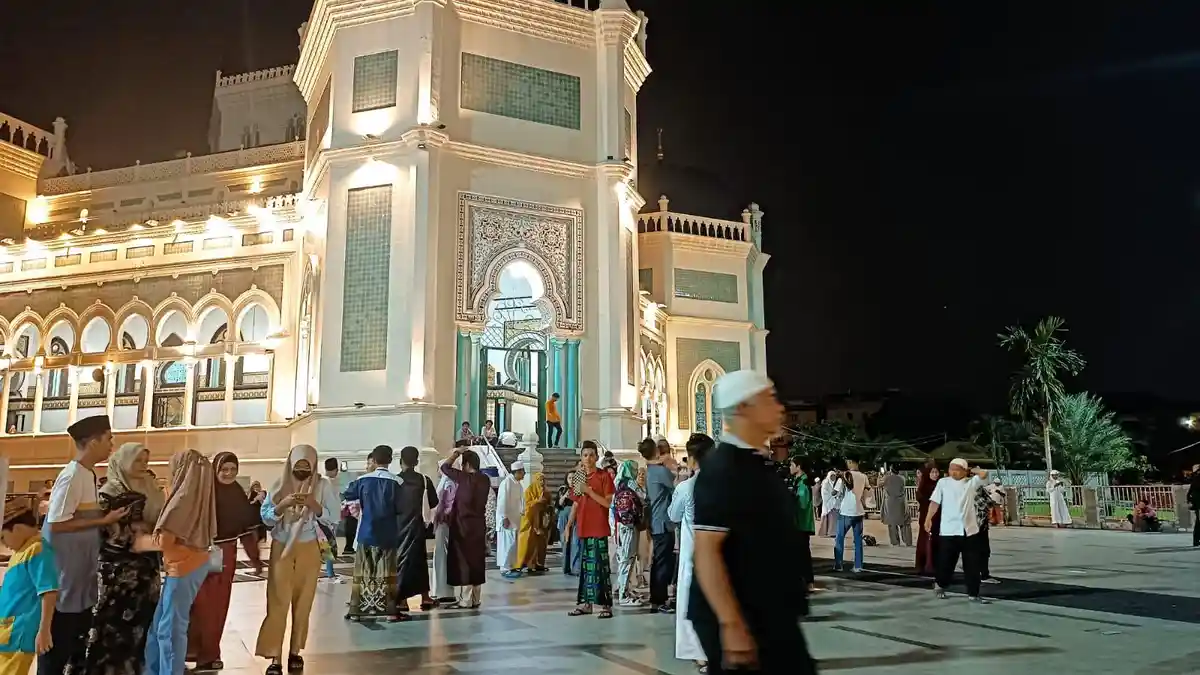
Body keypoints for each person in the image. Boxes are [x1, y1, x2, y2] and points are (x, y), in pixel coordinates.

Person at [690, 370, 813, 674]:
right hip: (742, 618)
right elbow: (706, 553)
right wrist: (731, 624)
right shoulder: (722, 470)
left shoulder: (756, 465)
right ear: (743, 407)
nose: (779, 408)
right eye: (769, 399)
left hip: (769, 612)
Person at [41, 414, 124, 675]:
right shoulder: (72, 475)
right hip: (65, 578)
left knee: (74, 646)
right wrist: (104, 521)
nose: (112, 445)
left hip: (79, 574)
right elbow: (56, 524)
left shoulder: (88, 474)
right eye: (108, 439)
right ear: (92, 442)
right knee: (57, 649)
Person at [79, 442, 166, 674]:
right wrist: (140, 535)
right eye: (138, 460)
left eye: (146, 460)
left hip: (147, 568)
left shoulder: (150, 487)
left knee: (143, 625)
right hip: (119, 572)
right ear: (124, 461)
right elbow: (105, 532)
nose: (143, 465)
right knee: (115, 628)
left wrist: (150, 534)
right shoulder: (110, 491)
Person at [255, 445, 342, 675]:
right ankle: (275, 656)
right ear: (291, 464)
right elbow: (266, 518)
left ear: (313, 465)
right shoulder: (280, 484)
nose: (302, 469)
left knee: (303, 602)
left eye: (307, 465)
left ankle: (295, 651)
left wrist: (314, 505)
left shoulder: (322, 485)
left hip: (309, 547)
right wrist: (282, 505)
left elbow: (334, 516)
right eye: (298, 465)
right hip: (281, 547)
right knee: (277, 601)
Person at [141, 449, 218, 675]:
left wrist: (135, 542)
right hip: (193, 563)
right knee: (160, 626)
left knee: (171, 630)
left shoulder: (181, 500)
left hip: (183, 566)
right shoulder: (199, 494)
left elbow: (165, 541)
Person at [189, 451, 264, 672]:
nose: (229, 473)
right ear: (215, 470)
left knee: (218, 607)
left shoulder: (237, 493)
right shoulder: (203, 493)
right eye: (224, 469)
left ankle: (209, 654)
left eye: (233, 469)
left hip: (225, 558)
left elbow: (246, 530)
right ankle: (192, 650)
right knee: (197, 605)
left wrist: (255, 559)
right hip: (199, 554)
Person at [344, 445, 405, 622]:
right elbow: (401, 508)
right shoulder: (397, 482)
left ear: (374, 460)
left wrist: (359, 509)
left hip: (366, 531)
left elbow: (347, 495)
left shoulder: (362, 480)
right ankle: (390, 611)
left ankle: (357, 611)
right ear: (390, 460)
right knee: (387, 573)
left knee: (363, 572)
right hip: (388, 533)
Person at [669, 434, 714, 673]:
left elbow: (673, 515)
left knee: (691, 604)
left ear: (692, 459)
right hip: (718, 554)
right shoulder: (724, 487)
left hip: (693, 554)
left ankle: (699, 654)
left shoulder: (686, 488)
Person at [0, 498, 57, 675]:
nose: (4, 544)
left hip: (19, 634)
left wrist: (44, 630)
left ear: (17, 529)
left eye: (3, 537)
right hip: (7, 631)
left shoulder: (38, 550)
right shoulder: (21, 551)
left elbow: (49, 591)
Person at [924, 458, 989, 603]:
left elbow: (984, 474)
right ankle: (940, 584)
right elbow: (934, 502)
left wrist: (972, 470)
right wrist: (928, 518)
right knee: (946, 562)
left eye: (957, 469)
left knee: (972, 564)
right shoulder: (943, 483)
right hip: (949, 529)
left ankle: (973, 593)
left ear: (965, 471)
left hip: (969, 530)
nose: (953, 472)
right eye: (951, 469)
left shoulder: (971, 482)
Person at [567, 441, 616, 619]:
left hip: (599, 527)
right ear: (581, 457)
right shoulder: (579, 476)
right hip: (583, 527)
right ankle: (586, 604)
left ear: (596, 457)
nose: (588, 458)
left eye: (591, 455)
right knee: (586, 568)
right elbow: (576, 503)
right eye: (585, 455)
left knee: (600, 567)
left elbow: (608, 503)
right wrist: (568, 525)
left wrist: (589, 491)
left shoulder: (604, 476)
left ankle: (606, 605)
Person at [440, 447, 491, 608]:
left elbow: (444, 467)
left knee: (464, 561)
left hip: (463, 525)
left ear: (467, 465)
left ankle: (466, 599)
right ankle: (476, 598)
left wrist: (456, 453)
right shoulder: (485, 479)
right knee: (477, 561)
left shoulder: (463, 477)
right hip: (479, 524)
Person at [395, 446, 439, 610]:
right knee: (420, 562)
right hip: (418, 527)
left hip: (399, 527)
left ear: (401, 461)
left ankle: (402, 600)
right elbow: (434, 502)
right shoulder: (424, 480)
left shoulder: (395, 481)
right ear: (417, 461)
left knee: (401, 563)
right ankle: (425, 597)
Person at [642, 438, 678, 614]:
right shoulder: (660, 471)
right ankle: (660, 599)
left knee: (658, 561)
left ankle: (656, 599)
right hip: (663, 522)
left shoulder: (649, 471)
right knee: (663, 563)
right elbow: (676, 487)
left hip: (655, 521)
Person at [613, 459, 645, 606]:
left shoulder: (621, 486)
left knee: (628, 559)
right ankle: (623, 595)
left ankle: (624, 589)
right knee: (626, 559)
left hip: (625, 527)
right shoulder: (628, 487)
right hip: (627, 528)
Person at [788, 457, 817, 592]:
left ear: (798, 467)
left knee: (803, 554)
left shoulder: (803, 483)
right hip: (798, 524)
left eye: (792, 465)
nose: (790, 467)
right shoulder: (797, 481)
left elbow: (802, 504)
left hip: (802, 524)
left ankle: (808, 581)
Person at [431, 463, 458, 604]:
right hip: (445, 523)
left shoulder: (448, 483)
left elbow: (443, 504)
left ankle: (442, 590)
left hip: (444, 523)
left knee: (442, 555)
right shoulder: (450, 482)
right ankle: (441, 590)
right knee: (443, 555)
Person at [832, 466, 866, 573]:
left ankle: (839, 565)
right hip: (858, 511)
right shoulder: (863, 476)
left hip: (845, 511)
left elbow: (834, 492)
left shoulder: (842, 478)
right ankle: (858, 565)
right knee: (858, 540)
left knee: (839, 538)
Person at [516, 472, 551, 574]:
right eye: (540, 479)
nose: (542, 482)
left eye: (543, 480)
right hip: (531, 521)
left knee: (541, 544)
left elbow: (550, 504)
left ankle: (539, 564)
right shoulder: (530, 490)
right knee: (530, 543)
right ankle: (528, 564)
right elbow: (526, 505)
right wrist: (537, 501)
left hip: (542, 520)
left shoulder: (546, 492)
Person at [496, 461, 526, 579]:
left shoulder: (518, 484)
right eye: (522, 472)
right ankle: (505, 568)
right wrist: (504, 517)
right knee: (506, 544)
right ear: (517, 472)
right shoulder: (506, 483)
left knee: (513, 544)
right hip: (507, 520)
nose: (524, 474)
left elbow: (521, 500)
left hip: (515, 519)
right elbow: (502, 501)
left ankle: (511, 566)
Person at [915, 463, 940, 575]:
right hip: (926, 516)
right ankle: (925, 564)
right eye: (932, 472)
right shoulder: (924, 487)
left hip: (938, 517)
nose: (935, 474)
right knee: (925, 540)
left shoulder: (940, 486)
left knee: (936, 541)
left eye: (936, 472)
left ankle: (934, 564)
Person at [882, 465, 912, 547]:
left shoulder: (887, 478)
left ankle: (895, 542)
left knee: (892, 522)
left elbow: (879, 484)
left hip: (890, 502)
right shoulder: (902, 478)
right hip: (901, 501)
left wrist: (882, 475)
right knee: (904, 521)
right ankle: (907, 541)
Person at [818, 470, 839, 537]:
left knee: (833, 518)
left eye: (834, 476)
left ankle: (832, 533)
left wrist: (835, 496)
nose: (833, 477)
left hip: (834, 503)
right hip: (827, 503)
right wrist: (831, 496)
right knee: (826, 517)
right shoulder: (825, 482)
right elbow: (824, 493)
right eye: (832, 476)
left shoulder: (835, 483)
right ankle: (824, 532)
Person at [1188, 465, 1200, 547]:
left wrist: (1189, 499)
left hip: (1197, 503)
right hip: (1198, 502)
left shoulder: (1196, 478)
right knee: (1199, 521)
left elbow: (1190, 490)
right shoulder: (1197, 478)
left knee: (1198, 521)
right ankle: (1196, 539)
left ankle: (1196, 540)